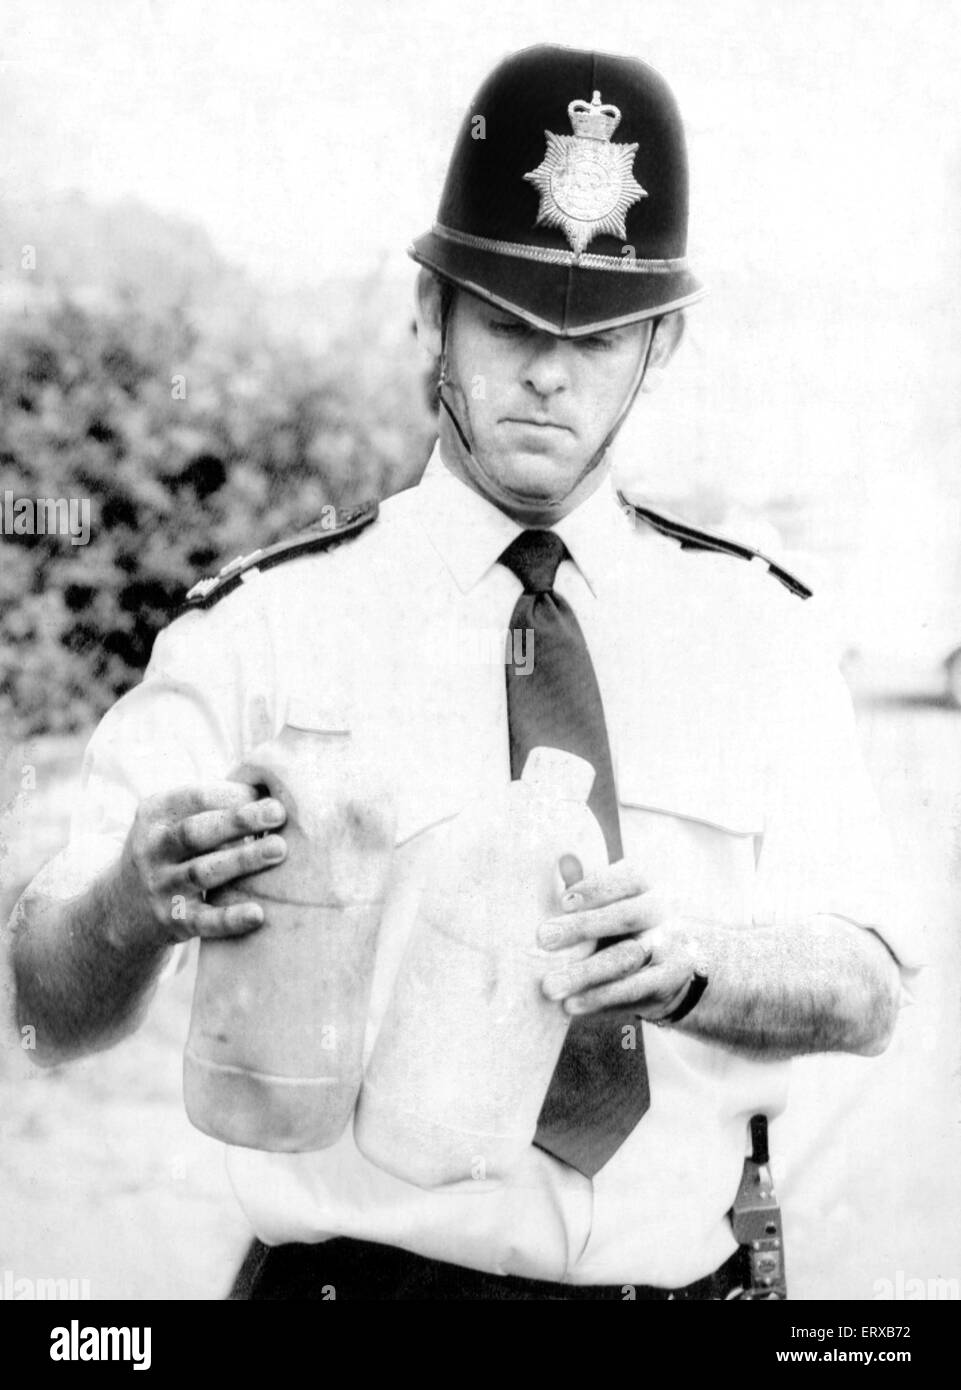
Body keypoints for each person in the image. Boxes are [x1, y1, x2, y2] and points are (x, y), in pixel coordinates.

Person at [8, 43, 915, 1301]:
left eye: (598, 337)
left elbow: (870, 984)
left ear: (662, 345)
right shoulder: (266, 625)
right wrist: (131, 895)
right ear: (429, 311)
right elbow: (45, 1003)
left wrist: (695, 960)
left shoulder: (755, 633)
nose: (550, 373)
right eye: (509, 321)